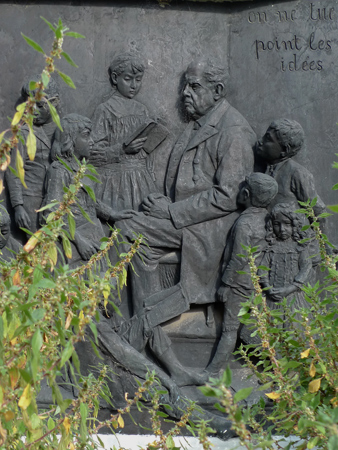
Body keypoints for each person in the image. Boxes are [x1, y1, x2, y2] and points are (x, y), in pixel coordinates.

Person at [116, 56, 256, 319]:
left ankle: (140, 324)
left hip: (208, 227)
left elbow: (228, 195)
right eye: (185, 87)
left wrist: (171, 210)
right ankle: (146, 323)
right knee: (133, 229)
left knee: (126, 229)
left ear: (218, 92)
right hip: (186, 217)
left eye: (194, 86)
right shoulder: (199, 123)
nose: (185, 93)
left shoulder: (233, 131)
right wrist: (163, 201)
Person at [205, 173, 278, 374]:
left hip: (239, 284)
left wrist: (226, 283)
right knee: (248, 327)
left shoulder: (245, 224)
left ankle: (211, 372)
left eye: (241, 188)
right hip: (253, 282)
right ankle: (277, 368)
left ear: (246, 194)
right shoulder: (266, 219)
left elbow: (239, 257)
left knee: (230, 330)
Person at [42, 114, 135, 268]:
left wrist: (112, 214)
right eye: (86, 136)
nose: (92, 141)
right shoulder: (59, 170)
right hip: (76, 247)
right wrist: (78, 240)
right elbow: (50, 215)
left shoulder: (80, 168)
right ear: (69, 139)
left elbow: (89, 202)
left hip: (92, 234)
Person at [90, 52, 160, 212]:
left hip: (141, 180)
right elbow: (91, 154)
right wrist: (121, 150)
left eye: (138, 79)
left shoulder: (142, 110)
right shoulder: (105, 110)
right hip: (115, 182)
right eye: (128, 79)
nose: (134, 85)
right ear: (115, 78)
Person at [5, 76, 60, 235]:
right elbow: (13, 170)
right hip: (31, 202)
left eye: (40, 105)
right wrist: (18, 207)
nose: (34, 110)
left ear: (54, 102)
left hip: (57, 200)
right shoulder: (23, 134)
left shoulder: (64, 130)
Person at [256, 118, 325, 216]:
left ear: (285, 150)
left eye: (267, 139)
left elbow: (317, 211)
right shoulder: (262, 167)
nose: (260, 141)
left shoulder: (298, 173)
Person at [258, 203, 313, 327]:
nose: (282, 229)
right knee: (270, 329)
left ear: (295, 225)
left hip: (293, 296)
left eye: (287, 224)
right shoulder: (271, 248)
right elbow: (262, 270)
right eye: (277, 224)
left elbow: (306, 268)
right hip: (272, 297)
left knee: (295, 328)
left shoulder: (299, 247)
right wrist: (268, 287)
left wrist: (290, 288)